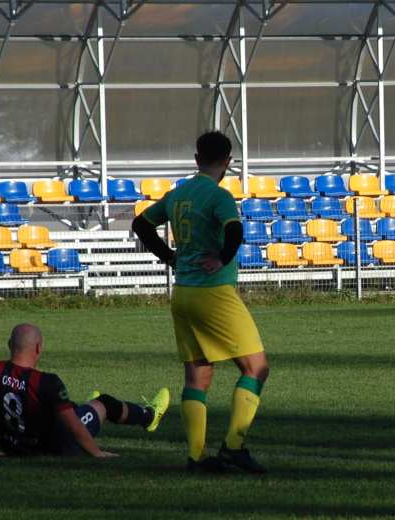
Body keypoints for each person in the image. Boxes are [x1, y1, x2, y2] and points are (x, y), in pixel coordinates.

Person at [131, 131, 269, 473]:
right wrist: (222, 258)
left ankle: (195, 457)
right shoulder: (219, 196)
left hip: (183, 294)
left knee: (198, 378)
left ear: (196, 159)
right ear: (228, 162)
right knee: (256, 368)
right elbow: (235, 231)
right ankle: (234, 447)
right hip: (213, 293)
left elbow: (140, 224)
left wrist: (169, 256)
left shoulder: (178, 195)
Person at [0, 324, 170, 459]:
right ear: (39, 348)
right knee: (103, 404)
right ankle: (149, 416)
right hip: (57, 447)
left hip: (13, 447)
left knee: (71, 409)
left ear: (9, 344)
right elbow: (71, 423)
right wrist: (96, 452)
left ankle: (82, 408)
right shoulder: (47, 382)